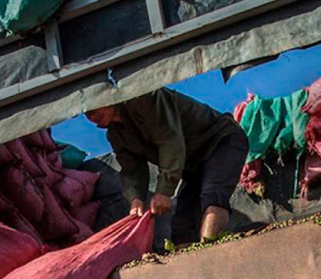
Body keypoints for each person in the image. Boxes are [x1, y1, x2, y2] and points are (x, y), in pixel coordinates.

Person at [86, 87, 249, 243]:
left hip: (221, 141)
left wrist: (164, 191)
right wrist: (136, 199)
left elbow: (170, 141)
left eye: (93, 108)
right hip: (193, 165)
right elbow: (132, 170)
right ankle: (189, 266)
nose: (91, 116)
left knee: (213, 195)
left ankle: (212, 253)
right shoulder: (116, 135)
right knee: (182, 224)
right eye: (86, 113)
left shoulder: (143, 99)